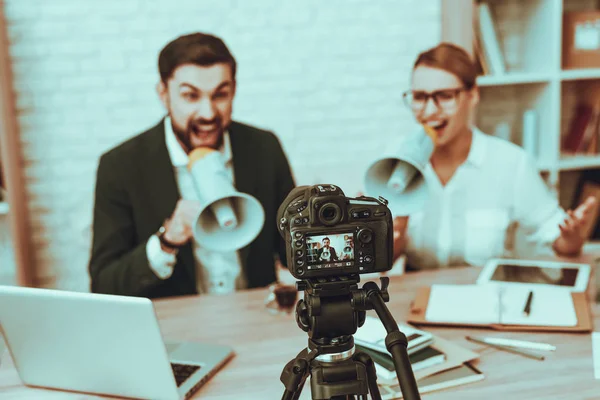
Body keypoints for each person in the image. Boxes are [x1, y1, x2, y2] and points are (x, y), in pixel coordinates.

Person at [88, 32, 295, 298]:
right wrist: (166, 241)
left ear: (234, 90)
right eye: (191, 96)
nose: (208, 113)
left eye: (221, 95)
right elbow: (104, 284)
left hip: (253, 318)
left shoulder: (264, 148)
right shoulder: (120, 166)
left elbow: (293, 252)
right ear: (163, 94)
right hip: (176, 326)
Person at [392, 42, 597, 270]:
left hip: (486, 296)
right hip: (418, 295)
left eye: (445, 96)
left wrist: (572, 237)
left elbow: (559, 240)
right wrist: (389, 236)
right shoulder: (394, 161)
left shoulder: (511, 163)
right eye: (419, 97)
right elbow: (384, 259)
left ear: (473, 95)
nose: (429, 111)